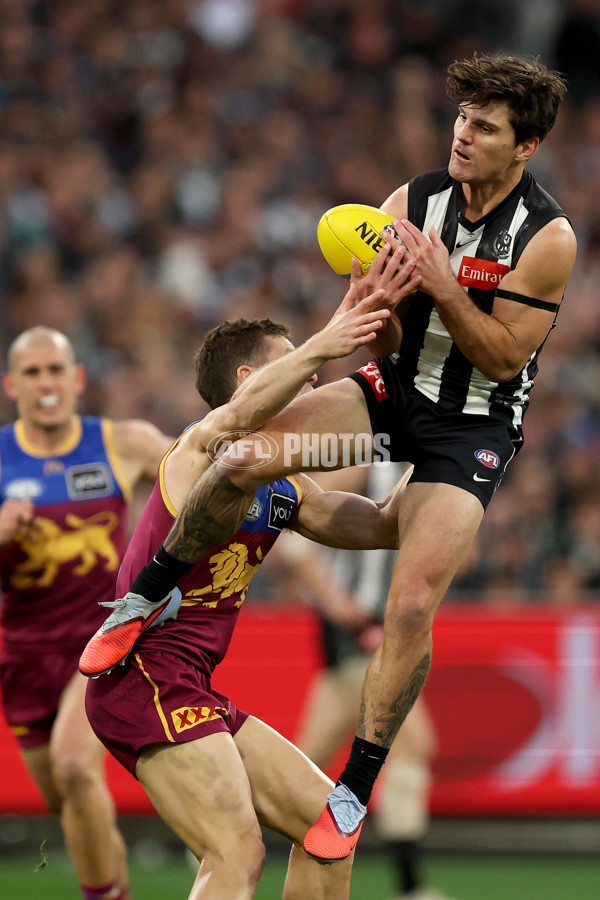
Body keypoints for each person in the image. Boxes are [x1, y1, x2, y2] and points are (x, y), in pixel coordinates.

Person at [80, 52, 577, 864]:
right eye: (461, 118)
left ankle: (354, 788)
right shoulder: (412, 203)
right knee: (244, 457)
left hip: (470, 434)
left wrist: (440, 284)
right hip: (388, 400)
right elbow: (379, 333)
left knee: (410, 607)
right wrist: (372, 300)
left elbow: (498, 359)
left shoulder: (548, 239)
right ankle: (142, 599)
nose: (463, 136)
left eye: (484, 128)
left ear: (524, 148)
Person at [81, 260, 418, 900]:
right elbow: (231, 424)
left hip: (190, 685)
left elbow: (381, 526)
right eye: (299, 364)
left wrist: (441, 453)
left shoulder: (285, 484)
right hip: (141, 676)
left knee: (330, 826)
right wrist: (337, 332)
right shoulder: (197, 451)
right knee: (236, 853)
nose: (317, 378)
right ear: (249, 380)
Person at [0, 327, 173, 900]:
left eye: (55, 370)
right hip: (22, 656)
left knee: (76, 769)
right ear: (11, 386)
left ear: (77, 379)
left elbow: (203, 477)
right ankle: (114, 883)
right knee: (71, 806)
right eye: (32, 372)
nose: (45, 382)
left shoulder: (125, 443)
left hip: (101, 642)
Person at [286, 462, 452, 900]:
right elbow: (292, 515)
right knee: (411, 742)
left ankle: (229, 821)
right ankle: (410, 887)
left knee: (307, 760)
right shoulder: (374, 468)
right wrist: (334, 600)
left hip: (380, 629)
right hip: (356, 629)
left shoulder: (429, 470)